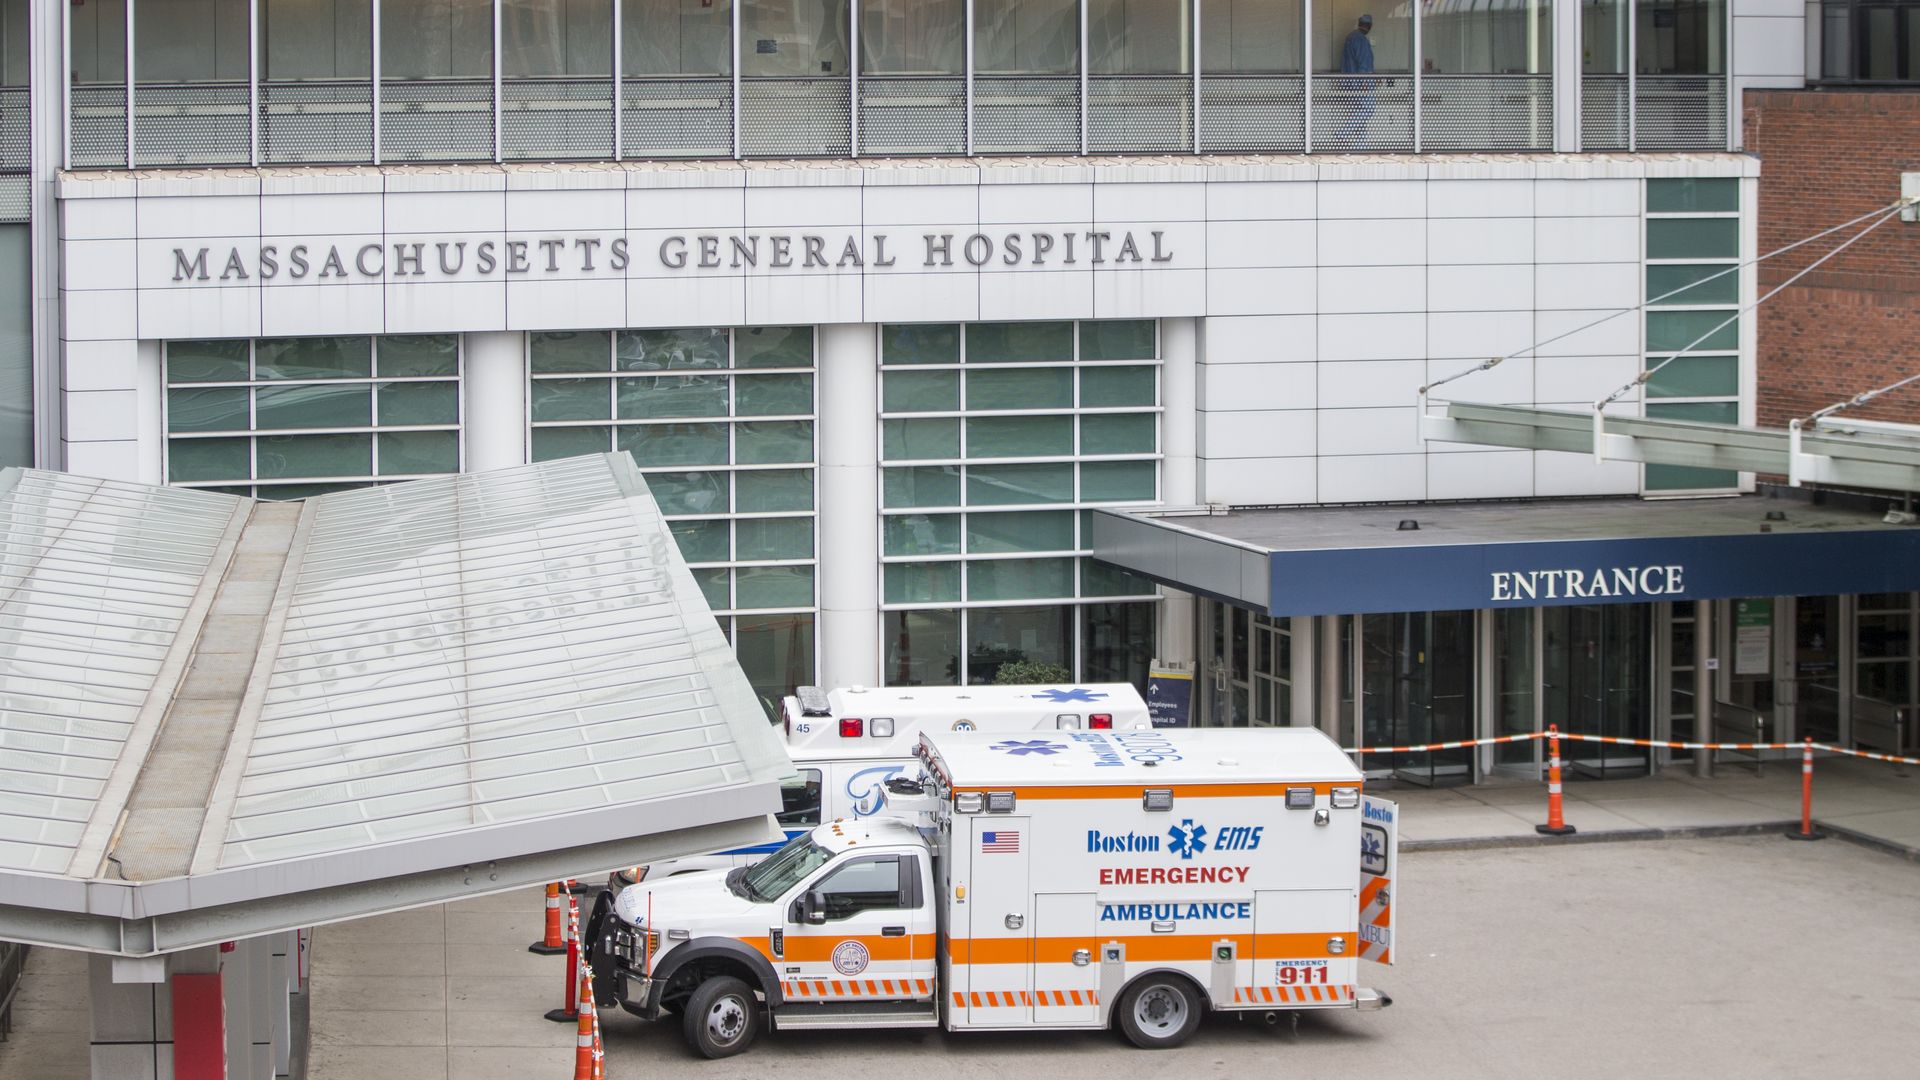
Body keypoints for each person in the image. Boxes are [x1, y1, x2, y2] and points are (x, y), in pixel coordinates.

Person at [1337, 14, 1376, 146]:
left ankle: (1361, 145)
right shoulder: (1361, 40)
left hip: (1350, 82)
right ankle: (1343, 133)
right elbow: (1364, 64)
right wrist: (1365, 82)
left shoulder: (1350, 38)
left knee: (1359, 113)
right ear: (1369, 26)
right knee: (1368, 108)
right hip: (1361, 83)